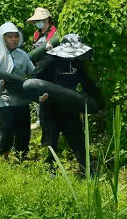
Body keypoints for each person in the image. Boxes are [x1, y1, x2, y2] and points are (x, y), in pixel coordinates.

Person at [31, 33, 100, 174]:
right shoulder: (49, 60)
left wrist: (96, 103)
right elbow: (34, 80)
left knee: (79, 143)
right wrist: (39, 96)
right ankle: (48, 176)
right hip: (50, 109)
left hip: (70, 109)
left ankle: (90, 174)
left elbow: (88, 85)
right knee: (50, 145)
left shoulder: (77, 63)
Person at [0, 22, 35, 160]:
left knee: (23, 129)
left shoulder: (22, 55)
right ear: (2, 38)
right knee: (6, 128)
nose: (13, 39)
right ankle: (2, 156)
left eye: (16, 36)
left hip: (20, 98)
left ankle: (22, 157)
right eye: (9, 37)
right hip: (0, 100)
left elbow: (33, 72)